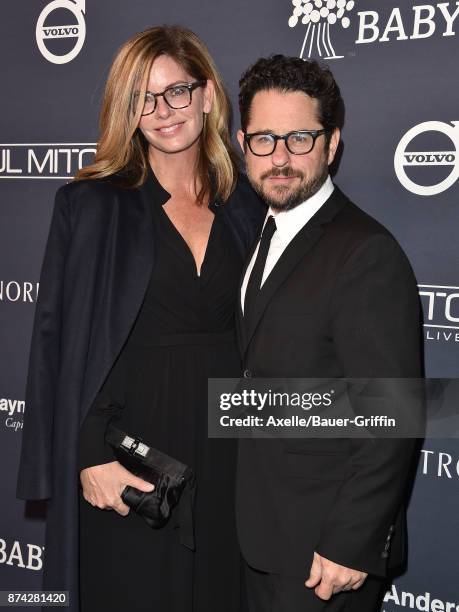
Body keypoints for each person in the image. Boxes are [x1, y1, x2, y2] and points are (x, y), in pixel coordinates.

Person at [16, 26, 264, 612]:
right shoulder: (92, 205)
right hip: (131, 455)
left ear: (207, 95)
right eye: (142, 98)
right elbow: (56, 346)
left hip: (232, 455)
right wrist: (86, 458)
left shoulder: (252, 205)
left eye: (176, 92)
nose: (162, 111)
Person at [234, 55, 423, 611]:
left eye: (300, 138)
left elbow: (392, 413)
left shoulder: (366, 253)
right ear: (244, 143)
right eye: (265, 139)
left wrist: (350, 542)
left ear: (331, 143)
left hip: (324, 555)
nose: (281, 158)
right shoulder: (258, 231)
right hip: (258, 534)